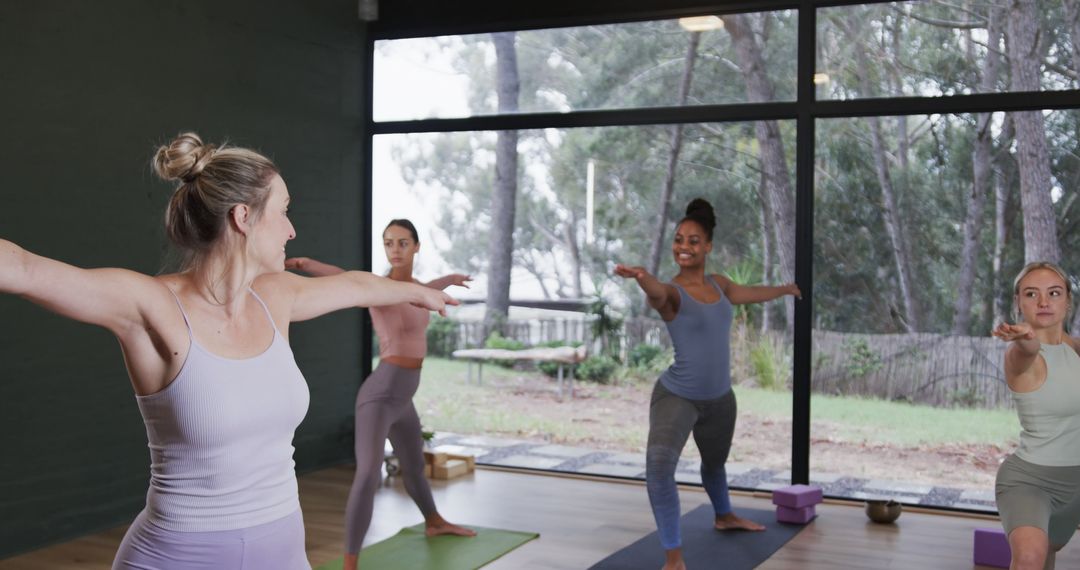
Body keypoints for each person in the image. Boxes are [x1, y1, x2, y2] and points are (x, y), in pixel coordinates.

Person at [0, 132, 454, 570]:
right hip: (174, 556)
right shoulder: (152, 306)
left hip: (283, 550)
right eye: (284, 211)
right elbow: (23, 268)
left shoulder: (275, 297)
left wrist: (422, 294)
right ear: (244, 217)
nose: (292, 230)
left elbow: (356, 285)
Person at [614, 198, 800, 570]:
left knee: (714, 465)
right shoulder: (672, 293)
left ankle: (724, 515)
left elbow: (750, 293)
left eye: (694, 240)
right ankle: (674, 557)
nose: (684, 246)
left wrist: (785, 290)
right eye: (679, 239)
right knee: (659, 467)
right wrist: (640, 277)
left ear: (708, 246)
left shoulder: (720, 285)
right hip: (677, 396)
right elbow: (656, 293)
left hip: (720, 399)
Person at [286, 218, 475, 570]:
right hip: (380, 395)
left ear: (417, 246)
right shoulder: (376, 287)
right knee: (369, 474)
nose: (395, 250)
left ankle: (434, 522)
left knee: (415, 465)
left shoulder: (419, 289)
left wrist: (449, 280)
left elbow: (424, 290)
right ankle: (350, 562)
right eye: (388, 243)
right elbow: (344, 278)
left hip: (403, 399)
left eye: (403, 243)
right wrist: (307, 265)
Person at [992, 261, 1080, 570]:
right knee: (1030, 558)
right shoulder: (1020, 355)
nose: (1043, 302)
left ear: (1067, 301)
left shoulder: (1075, 350)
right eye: (1032, 294)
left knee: (1046, 560)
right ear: (1019, 302)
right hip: (1030, 481)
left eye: (1053, 293)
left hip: (1076, 485)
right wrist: (1025, 337)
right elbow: (1028, 348)